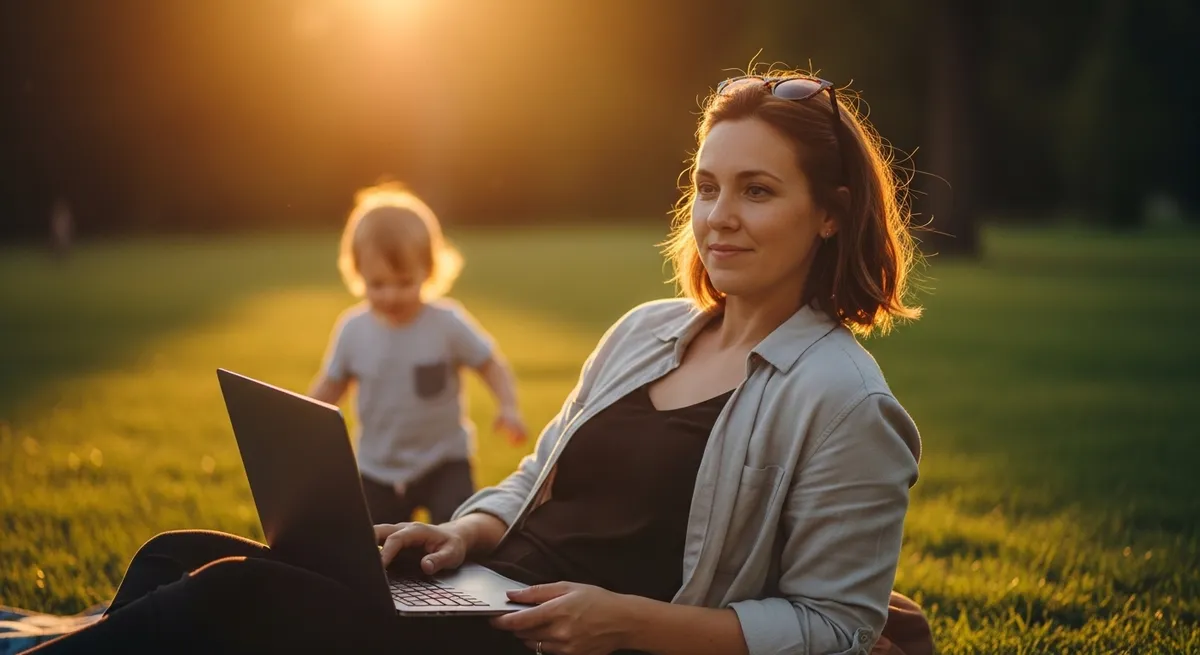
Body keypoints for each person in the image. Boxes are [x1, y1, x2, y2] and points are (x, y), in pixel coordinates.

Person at [30, 68, 933, 655]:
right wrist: (461, 533)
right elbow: (539, 472)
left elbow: (835, 626)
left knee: (230, 600)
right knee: (175, 554)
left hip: (548, 641)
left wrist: (623, 621)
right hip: (477, 593)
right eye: (706, 186)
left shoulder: (842, 398)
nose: (718, 216)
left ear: (830, 211)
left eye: (757, 190)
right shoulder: (649, 331)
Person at [308, 182, 528, 525]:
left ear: (429, 270)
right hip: (376, 469)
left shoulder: (447, 323)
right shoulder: (353, 330)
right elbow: (331, 385)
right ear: (357, 273)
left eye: (404, 282)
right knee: (370, 541)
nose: (391, 296)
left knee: (456, 532)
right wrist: (303, 426)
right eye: (377, 284)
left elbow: (490, 364)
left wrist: (508, 406)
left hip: (444, 462)